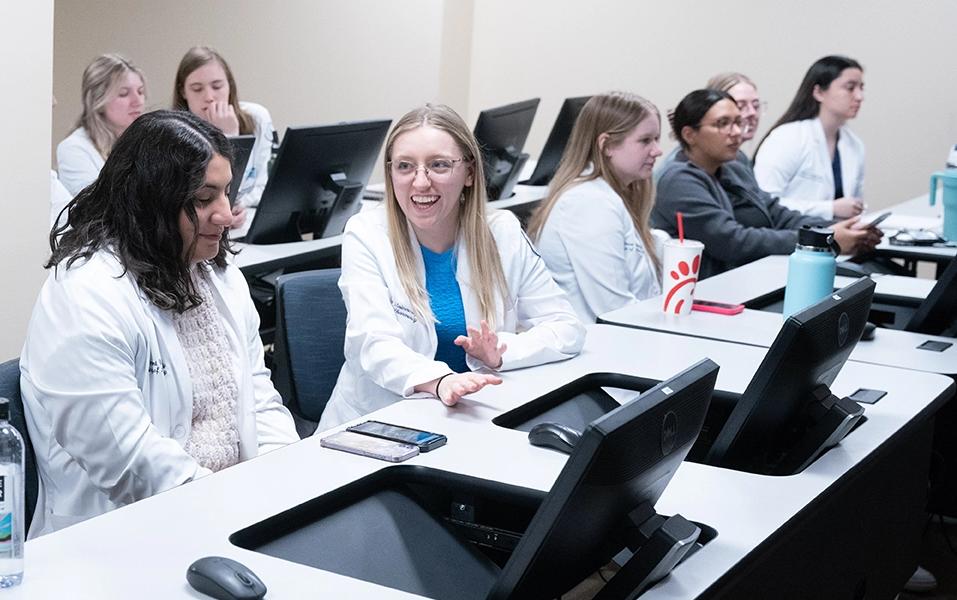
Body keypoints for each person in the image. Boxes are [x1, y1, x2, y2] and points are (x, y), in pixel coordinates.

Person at [22, 110, 299, 536]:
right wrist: (237, 510)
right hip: (125, 536)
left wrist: (289, 484)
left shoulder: (216, 276)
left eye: (226, 193)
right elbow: (129, 460)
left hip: (227, 511)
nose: (225, 215)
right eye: (204, 199)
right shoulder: (85, 295)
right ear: (152, 199)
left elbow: (259, 399)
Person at [318, 104, 585, 432]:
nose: (420, 182)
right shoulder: (367, 233)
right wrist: (439, 380)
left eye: (438, 165)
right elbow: (373, 344)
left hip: (474, 420)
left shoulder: (501, 232)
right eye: (405, 166)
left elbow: (565, 327)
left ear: (470, 172)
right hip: (381, 425)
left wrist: (499, 352)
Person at [653, 89, 879, 278]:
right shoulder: (678, 179)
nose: (736, 133)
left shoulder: (734, 166)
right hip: (713, 291)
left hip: (753, 275)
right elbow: (732, 242)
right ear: (689, 134)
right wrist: (823, 240)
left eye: (737, 123)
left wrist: (831, 229)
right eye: (723, 124)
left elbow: (775, 212)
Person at [527, 91, 666, 324]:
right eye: (645, 140)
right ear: (607, 144)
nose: (657, 150)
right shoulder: (589, 203)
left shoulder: (608, 196)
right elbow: (614, 308)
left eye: (656, 139)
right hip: (599, 347)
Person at [171, 46, 276, 234]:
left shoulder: (258, 119)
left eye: (217, 86)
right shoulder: (172, 133)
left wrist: (237, 205)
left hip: (245, 226)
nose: (209, 97)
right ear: (183, 92)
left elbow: (262, 185)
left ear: (230, 86)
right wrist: (228, 139)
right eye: (197, 89)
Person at [755, 56, 867, 220]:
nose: (860, 96)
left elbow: (854, 205)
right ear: (819, 92)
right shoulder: (788, 137)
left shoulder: (854, 144)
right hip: (790, 237)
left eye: (861, 88)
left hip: (837, 237)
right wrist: (829, 209)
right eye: (850, 88)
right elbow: (763, 203)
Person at [56, 54, 146, 196]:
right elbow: (92, 210)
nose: (138, 101)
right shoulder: (73, 149)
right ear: (98, 101)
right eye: (124, 94)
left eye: (140, 92)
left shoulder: (146, 143)